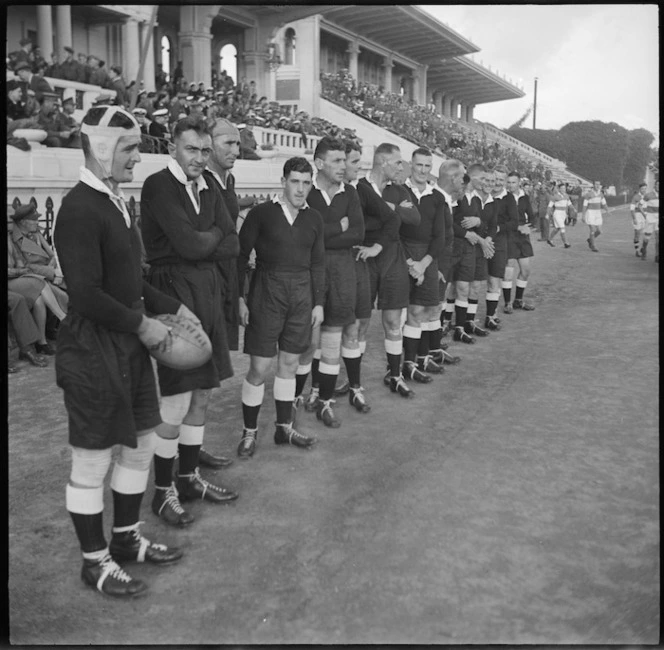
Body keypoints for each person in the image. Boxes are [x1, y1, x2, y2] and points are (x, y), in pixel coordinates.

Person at [53, 105, 186, 598]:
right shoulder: (79, 209)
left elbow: (130, 278)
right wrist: (143, 325)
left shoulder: (115, 200)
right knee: (91, 460)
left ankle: (126, 540)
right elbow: (85, 294)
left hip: (127, 338)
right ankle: (95, 562)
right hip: (92, 347)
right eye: (130, 148)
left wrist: (173, 308)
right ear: (103, 147)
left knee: (141, 444)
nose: (138, 158)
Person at [141, 116, 240, 526]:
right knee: (177, 398)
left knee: (203, 392)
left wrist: (210, 240)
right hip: (173, 290)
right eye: (191, 150)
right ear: (172, 149)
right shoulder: (158, 185)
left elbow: (232, 241)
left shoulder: (210, 186)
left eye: (204, 150)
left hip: (208, 289)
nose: (199, 158)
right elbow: (188, 243)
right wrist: (212, 236)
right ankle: (162, 491)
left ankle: (188, 477)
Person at [236, 157, 324, 458]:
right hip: (267, 290)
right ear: (283, 182)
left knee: (289, 364)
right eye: (295, 182)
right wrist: (239, 297)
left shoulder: (314, 219)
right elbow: (240, 255)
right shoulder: (262, 214)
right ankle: (249, 432)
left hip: (301, 294)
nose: (300, 189)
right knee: (259, 367)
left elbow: (318, 263)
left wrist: (319, 303)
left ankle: (283, 427)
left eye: (306, 183)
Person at [297, 137, 366, 428]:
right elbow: (304, 234)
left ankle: (325, 400)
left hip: (341, 271)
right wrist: (338, 227)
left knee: (333, 337)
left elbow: (358, 234)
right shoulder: (306, 193)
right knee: (308, 340)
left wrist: (324, 233)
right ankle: (303, 394)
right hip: (310, 272)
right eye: (337, 161)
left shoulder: (350, 193)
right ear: (320, 164)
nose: (343, 166)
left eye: (344, 160)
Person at [354, 142, 421, 396]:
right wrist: (392, 213)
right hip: (366, 257)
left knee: (393, 320)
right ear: (382, 162)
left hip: (393, 257)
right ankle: (354, 381)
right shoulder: (360, 189)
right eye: (397, 163)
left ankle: (395, 375)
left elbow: (415, 218)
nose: (401, 167)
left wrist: (388, 211)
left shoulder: (399, 189)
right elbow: (362, 224)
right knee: (359, 323)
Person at [401, 147, 446, 378]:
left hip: (427, 258)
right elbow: (394, 232)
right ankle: (407, 364)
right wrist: (410, 263)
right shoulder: (398, 192)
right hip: (402, 254)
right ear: (411, 165)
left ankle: (422, 358)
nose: (423, 170)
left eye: (428, 166)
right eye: (419, 165)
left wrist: (423, 264)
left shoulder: (437, 197)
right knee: (412, 310)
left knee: (427, 309)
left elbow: (440, 236)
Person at [485, 166, 518, 330]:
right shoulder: (483, 195)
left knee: (494, 280)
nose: (497, 183)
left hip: (499, 243)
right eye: (495, 179)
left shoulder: (509, 198)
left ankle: (491, 315)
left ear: (505, 182)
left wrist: (499, 228)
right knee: (473, 283)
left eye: (501, 180)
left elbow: (514, 222)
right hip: (481, 241)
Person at [503, 170, 536, 312]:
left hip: (522, 237)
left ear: (519, 183)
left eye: (513, 182)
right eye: (508, 182)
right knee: (508, 269)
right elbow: (501, 220)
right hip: (508, 235)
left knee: (526, 270)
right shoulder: (502, 197)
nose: (511, 185)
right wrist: (518, 227)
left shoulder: (524, 197)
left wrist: (530, 227)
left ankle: (518, 300)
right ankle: (507, 303)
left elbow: (532, 217)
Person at [582, 180, 608, 253]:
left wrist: (607, 210)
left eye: (599, 184)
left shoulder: (601, 194)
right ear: (593, 185)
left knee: (599, 231)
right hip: (590, 213)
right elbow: (584, 205)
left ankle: (590, 240)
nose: (597, 186)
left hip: (598, 213)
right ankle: (593, 246)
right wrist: (583, 215)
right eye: (596, 184)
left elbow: (604, 203)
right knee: (592, 229)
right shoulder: (588, 194)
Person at [546, 183, 573, 248]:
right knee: (562, 227)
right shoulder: (555, 196)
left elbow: (569, 204)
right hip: (557, 213)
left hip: (563, 214)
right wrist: (547, 214)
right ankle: (566, 243)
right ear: (559, 189)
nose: (563, 189)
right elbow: (550, 206)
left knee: (557, 228)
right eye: (562, 188)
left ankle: (549, 239)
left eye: (564, 188)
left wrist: (573, 210)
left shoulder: (566, 195)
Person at [640, 180, 659, 262]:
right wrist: (645, 215)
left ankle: (657, 255)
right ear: (655, 186)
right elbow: (639, 205)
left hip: (658, 220)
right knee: (647, 238)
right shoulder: (648, 195)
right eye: (657, 185)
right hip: (650, 219)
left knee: (658, 238)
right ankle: (644, 250)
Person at [630, 183, 648, 256]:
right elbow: (632, 209)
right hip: (637, 216)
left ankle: (643, 248)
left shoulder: (647, 197)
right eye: (642, 189)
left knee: (646, 234)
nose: (644, 190)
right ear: (639, 189)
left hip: (646, 216)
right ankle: (637, 251)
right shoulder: (636, 197)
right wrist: (634, 218)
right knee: (637, 234)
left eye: (645, 188)